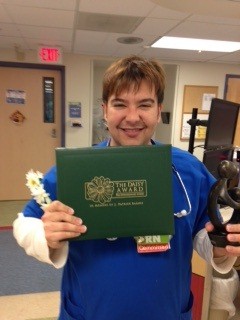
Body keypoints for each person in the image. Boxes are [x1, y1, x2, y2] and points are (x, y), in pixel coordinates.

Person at [13, 55, 240, 320]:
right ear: (105, 109)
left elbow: (205, 232)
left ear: (158, 110)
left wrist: (220, 247)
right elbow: (24, 223)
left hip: (166, 312)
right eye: (120, 104)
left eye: (144, 104)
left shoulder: (187, 170)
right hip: (92, 312)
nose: (133, 117)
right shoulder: (76, 170)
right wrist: (46, 235)